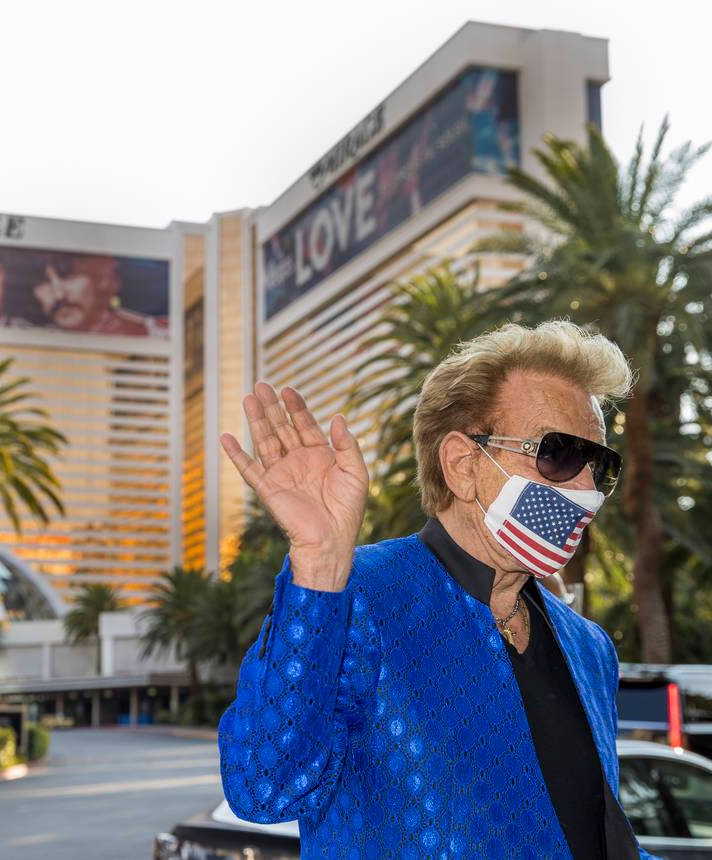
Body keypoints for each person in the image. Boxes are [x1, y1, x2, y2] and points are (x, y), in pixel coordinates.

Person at [217, 320, 659, 859]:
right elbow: (265, 789)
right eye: (561, 454)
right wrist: (318, 565)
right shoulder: (355, 599)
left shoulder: (590, 648)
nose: (587, 489)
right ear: (463, 464)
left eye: (600, 465)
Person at [31, 255, 150, 336]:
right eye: (43, 281)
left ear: (101, 280)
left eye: (69, 276)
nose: (59, 295)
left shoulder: (148, 334)